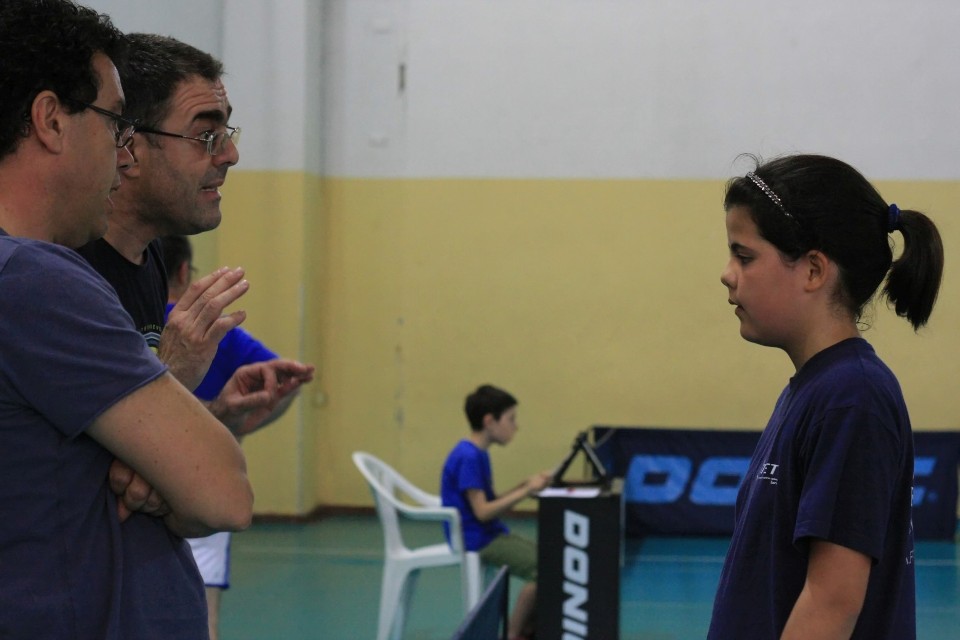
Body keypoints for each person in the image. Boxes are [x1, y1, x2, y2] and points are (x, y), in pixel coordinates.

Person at [0, 1, 255, 637]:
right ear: (52, 121)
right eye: (114, 124)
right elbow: (222, 492)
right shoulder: (36, 281)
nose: (122, 153)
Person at [75, 34, 314, 640]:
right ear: (127, 145)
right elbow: (92, 481)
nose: (229, 154)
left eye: (228, 131)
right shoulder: (63, 276)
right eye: (206, 133)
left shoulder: (148, 261)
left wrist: (214, 415)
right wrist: (173, 372)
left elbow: (134, 452)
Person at [708, 154, 944, 639]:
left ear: (814, 270)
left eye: (745, 256)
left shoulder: (853, 396)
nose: (727, 274)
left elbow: (832, 602)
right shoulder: (815, 389)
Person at [162, 233, 303, 638]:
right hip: (201, 487)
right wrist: (234, 425)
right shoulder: (204, 330)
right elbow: (284, 383)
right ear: (185, 272)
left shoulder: (112, 315)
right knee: (202, 617)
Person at [440, 385, 552, 640]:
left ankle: (528, 630)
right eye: (511, 419)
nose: (516, 426)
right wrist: (525, 492)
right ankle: (514, 634)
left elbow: (493, 501)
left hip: (489, 533)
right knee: (546, 568)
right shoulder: (468, 456)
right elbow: (482, 512)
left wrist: (525, 485)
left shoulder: (478, 454)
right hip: (477, 538)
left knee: (552, 558)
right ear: (489, 421)